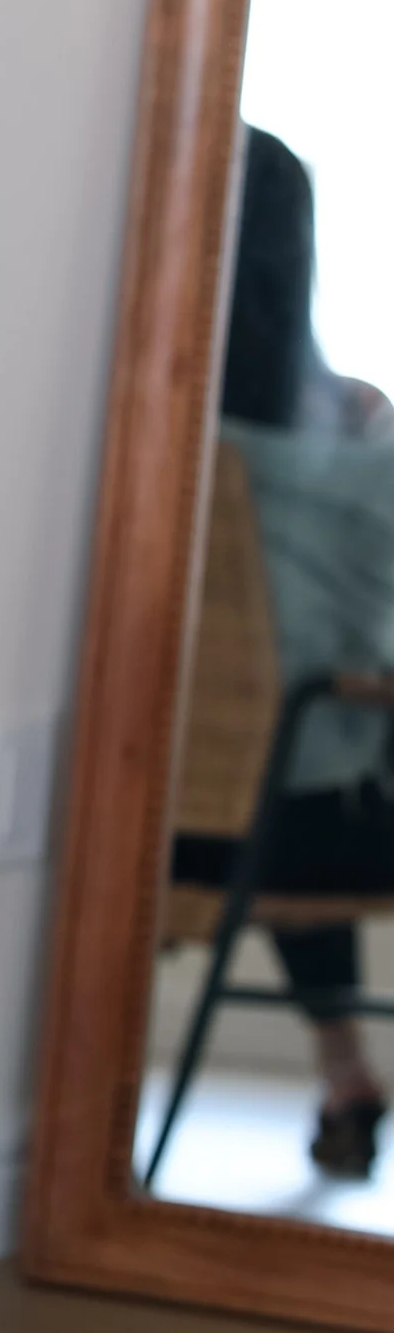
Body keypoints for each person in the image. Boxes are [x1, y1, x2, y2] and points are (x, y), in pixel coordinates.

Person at [172, 123, 394, 1179]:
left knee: (289, 751)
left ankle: (346, 1073)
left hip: (157, 827)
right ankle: (347, 1071)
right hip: (293, 837)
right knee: (321, 755)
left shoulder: (149, 440)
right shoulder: (350, 462)